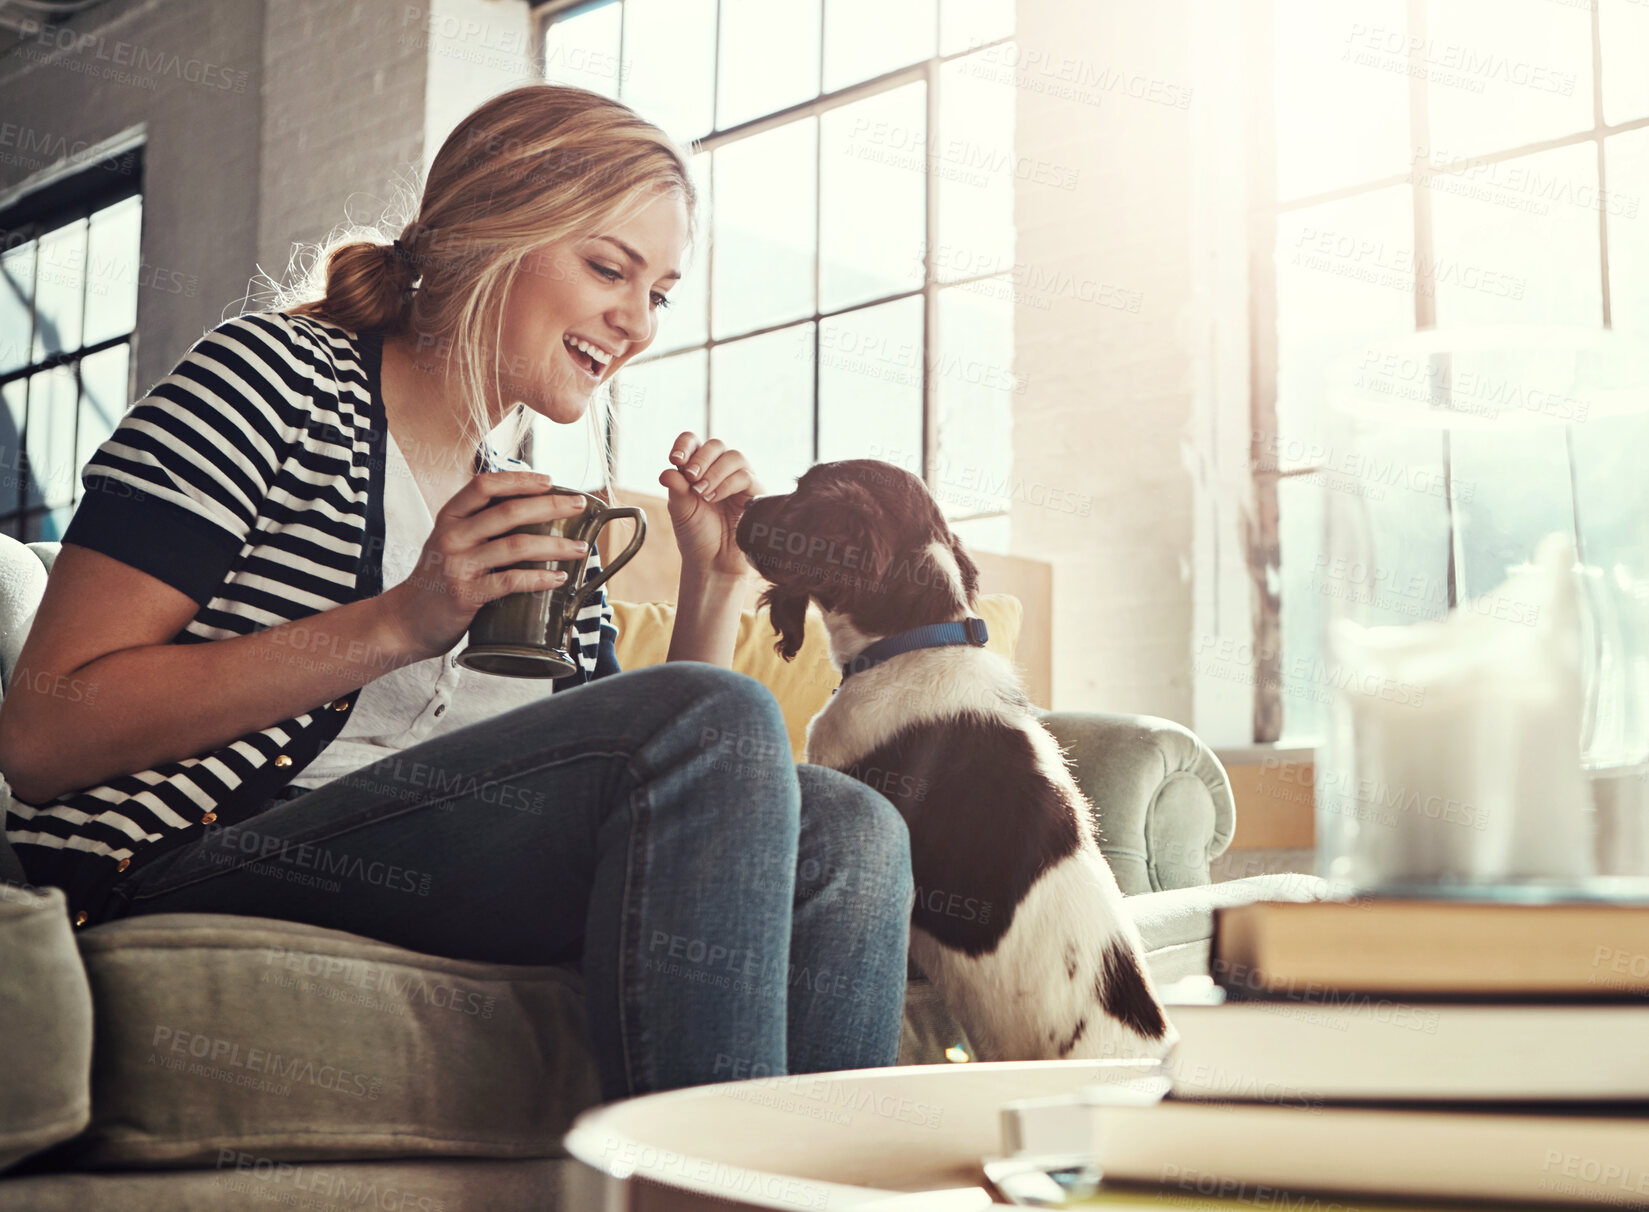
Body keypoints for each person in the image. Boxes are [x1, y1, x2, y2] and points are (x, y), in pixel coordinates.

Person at [0, 84, 914, 1101]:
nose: (635, 321)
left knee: (848, 829)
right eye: (608, 267)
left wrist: (714, 580)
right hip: (191, 855)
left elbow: (667, 786)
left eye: (657, 292)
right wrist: (400, 621)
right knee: (732, 733)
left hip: (436, 862)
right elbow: (43, 736)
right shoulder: (271, 380)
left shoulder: (534, 505)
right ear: (488, 234)